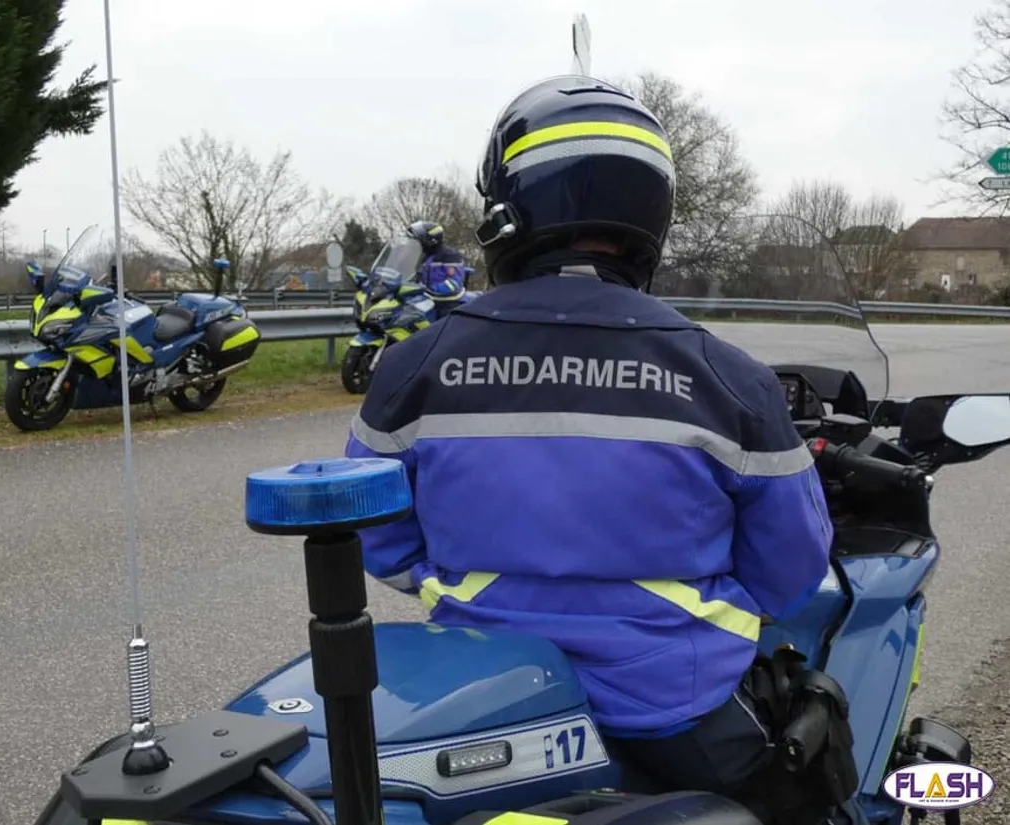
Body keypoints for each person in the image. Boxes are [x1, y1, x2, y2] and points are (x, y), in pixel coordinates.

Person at [344, 76, 831, 804]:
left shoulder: (412, 366)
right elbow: (790, 572)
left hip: (484, 705)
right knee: (813, 782)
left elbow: (377, 539)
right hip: (673, 709)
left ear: (507, 210)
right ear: (651, 216)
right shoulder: (731, 381)